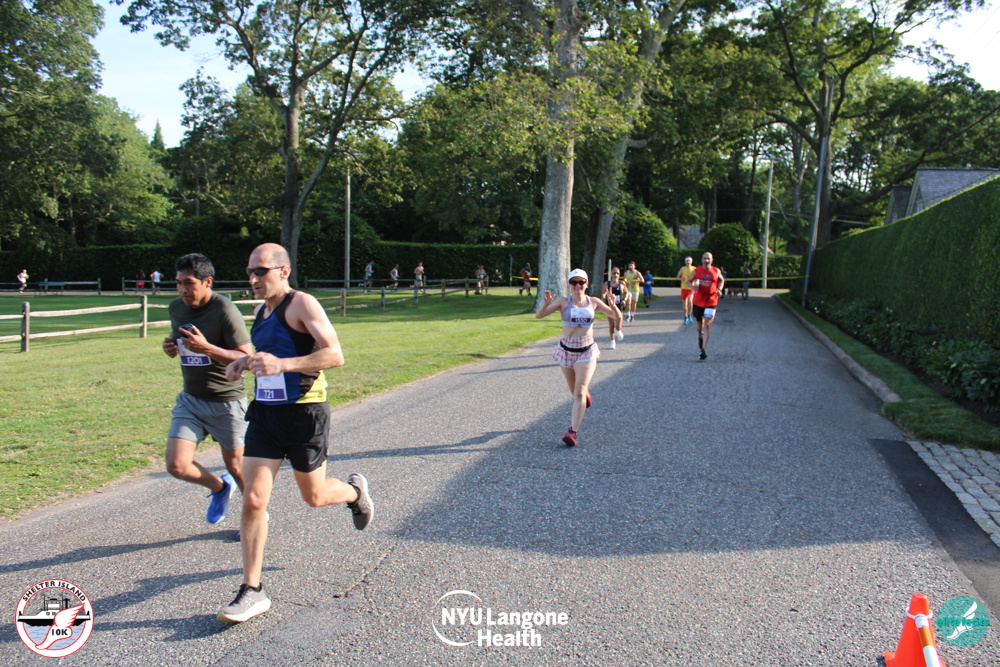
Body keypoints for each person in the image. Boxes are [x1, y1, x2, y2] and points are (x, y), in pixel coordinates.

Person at [219, 243, 373, 623]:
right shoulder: (261, 311)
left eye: (261, 271)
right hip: (266, 414)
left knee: (314, 496)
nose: (253, 279)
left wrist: (283, 365)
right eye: (250, 271)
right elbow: (268, 355)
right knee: (253, 498)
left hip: (305, 413)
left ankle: (355, 493)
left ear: (283, 271)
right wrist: (244, 362)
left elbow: (334, 355)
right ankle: (252, 590)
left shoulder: (302, 304)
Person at [162, 254, 253, 538]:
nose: (182, 290)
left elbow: (247, 359)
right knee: (177, 465)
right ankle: (219, 487)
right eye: (178, 283)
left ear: (207, 282)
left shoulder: (225, 310)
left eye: (189, 283)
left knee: (237, 468)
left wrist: (208, 349)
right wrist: (170, 346)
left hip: (226, 402)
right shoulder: (176, 307)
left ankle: (255, 518)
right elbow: (179, 338)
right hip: (191, 400)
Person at [535, 269, 621, 447]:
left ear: (586, 284)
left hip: (586, 350)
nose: (577, 286)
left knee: (579, 390)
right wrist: (546, 304)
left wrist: (612, 305)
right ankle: (584, 396)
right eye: (574, 282)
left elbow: (617, 316)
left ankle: (572, 432)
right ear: (569, 285)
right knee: (574, 391)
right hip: (566, 349)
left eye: (581, 282)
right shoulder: (563, 302)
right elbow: (539, 315)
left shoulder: (594, 302)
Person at [692, 252, 724, 361]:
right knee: (699, 327)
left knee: (707, 324)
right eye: (705, 258)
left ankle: (703, 350)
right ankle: (700, 336)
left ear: (712, 260)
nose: (706, 260)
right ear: (702, 259)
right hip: (698, 302)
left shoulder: (716, 271)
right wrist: (693, 287)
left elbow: (721, 280)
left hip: (711, 301)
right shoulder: (696, 271)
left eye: (708, 258)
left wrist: (719, 289)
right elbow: (688, 280)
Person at [602, 267, 627, 349]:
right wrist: (603, 298)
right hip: (610, 306)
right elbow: (603, 293)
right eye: (614, 273)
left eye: (617, 273)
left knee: (618, 325)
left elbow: (627, 293)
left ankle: (618, 330)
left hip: (619, 306)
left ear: (619, 275)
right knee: (611, 325)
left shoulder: (622, 284)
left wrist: (624, 300)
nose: (615, 275)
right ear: (611, 274)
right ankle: (612, 341)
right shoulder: (607, 284)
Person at [677, 256, 696, 324]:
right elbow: (677, 277)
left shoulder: (694, 268)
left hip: (691, 288)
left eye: (689, 260)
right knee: (685, 303)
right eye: (687, 261)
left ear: (691, 261)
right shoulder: (683, 269)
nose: (688, 262)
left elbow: (697, 277)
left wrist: (695, 282)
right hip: (684, 288)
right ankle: (685, 317)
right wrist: (683, 278)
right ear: (685, 262)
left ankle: (689, 315)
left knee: (690, 301)